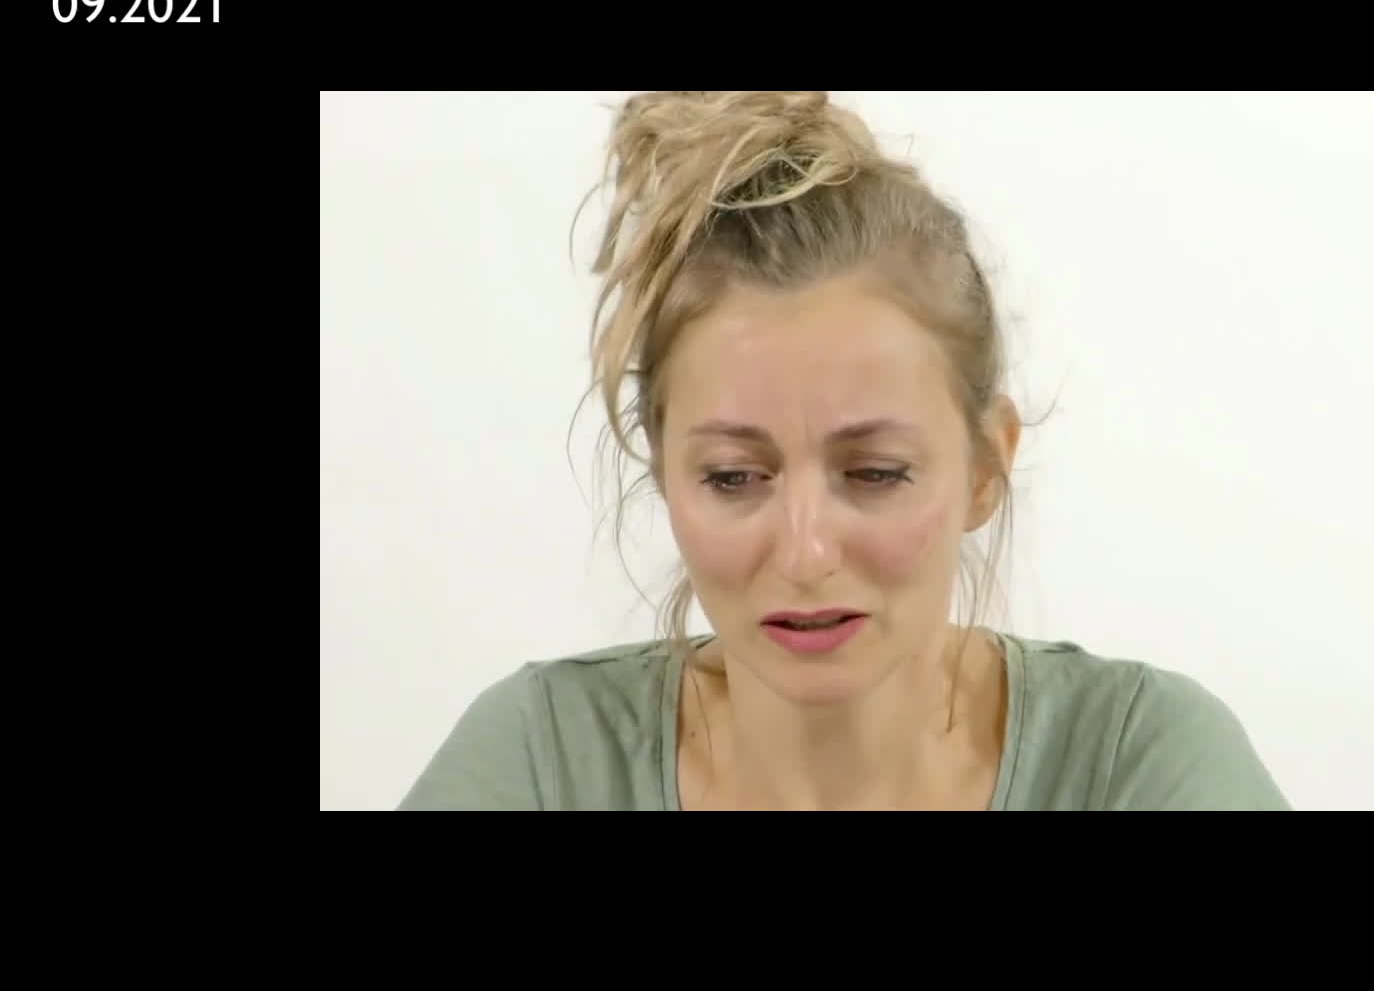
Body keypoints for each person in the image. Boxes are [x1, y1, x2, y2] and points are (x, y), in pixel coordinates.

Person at [398, 91, 1291, 811]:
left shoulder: (1139, 765)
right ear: (665, 474)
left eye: (874, 474)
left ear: (987, 466)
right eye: (733, 477)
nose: (805, 552)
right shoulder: (543, 763)